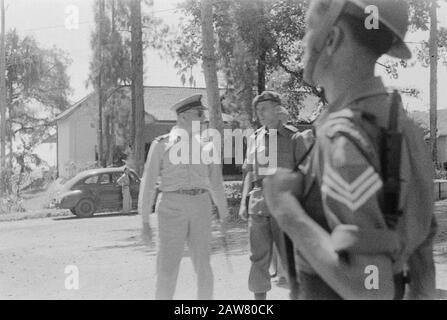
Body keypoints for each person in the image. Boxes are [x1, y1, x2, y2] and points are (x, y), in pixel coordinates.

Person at [263, 0, 437, 300]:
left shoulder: (342, 138)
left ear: (331, 39)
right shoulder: (406, 130)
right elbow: (422, 262)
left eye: (308, 29)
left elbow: (372, 288)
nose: (305, 41)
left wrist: (286, 210)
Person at [138, 94, 229, 300]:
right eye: (199, 114)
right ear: (184, 117)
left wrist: (224, 215)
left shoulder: (208, 146)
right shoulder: (161, 145)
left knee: (204, 266)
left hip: (201, 205)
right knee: (167, 268)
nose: (204, 119)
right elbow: (149, 183)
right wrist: (144, 221)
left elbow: (216, 183)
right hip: (172, 206)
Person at [238, 91, 310, 300]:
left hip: (285, 205)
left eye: (264, 109)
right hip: (259, 205)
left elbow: (306, 173)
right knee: (257, 257)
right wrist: (244, 202)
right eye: (257, 110)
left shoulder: (294, 137)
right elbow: (250, 173)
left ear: (278, 110)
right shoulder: (254, 138)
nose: (259, 113)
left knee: (290, 260)